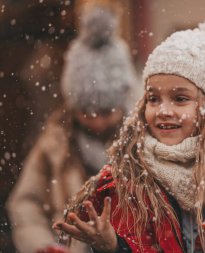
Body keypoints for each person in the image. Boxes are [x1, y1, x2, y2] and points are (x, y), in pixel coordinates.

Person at [53, 18, 205, 253]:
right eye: (153, 98)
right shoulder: (127, 177)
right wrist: (114, 247)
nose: (163, 111)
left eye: (180, 99)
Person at [6, 1, 139, 253]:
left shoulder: (141, 145)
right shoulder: (55, 142)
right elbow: (25, 203)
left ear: (123, 105)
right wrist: (42, 245)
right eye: (87, 112)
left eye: (106, 111)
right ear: (72, 107)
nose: (97, 121)